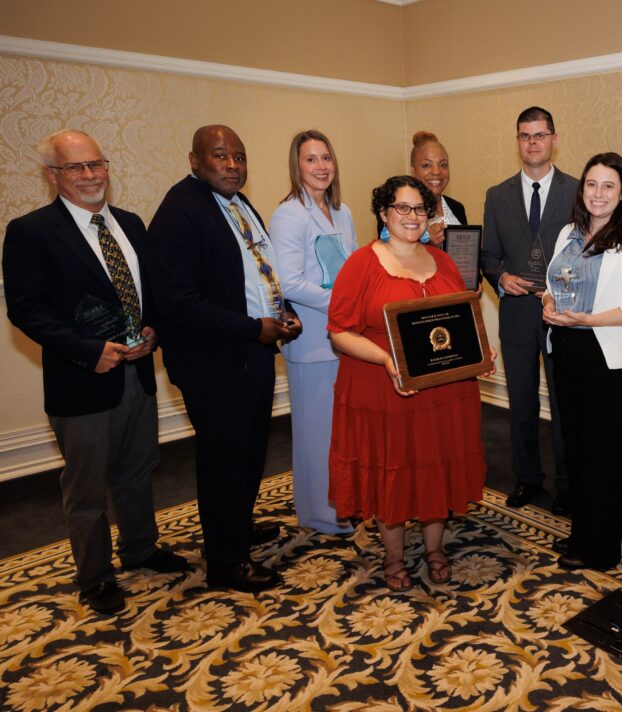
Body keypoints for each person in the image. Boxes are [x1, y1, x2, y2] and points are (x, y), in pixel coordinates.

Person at [3, 129, 189, 614]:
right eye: (76, 167)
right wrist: (89, 351)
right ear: (52, 175)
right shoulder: (32, 231)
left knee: (137, 469)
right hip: (81, 379)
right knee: (86, 487)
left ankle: (141, 549)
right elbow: (26, 310)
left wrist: (154, 329)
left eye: (97, 165)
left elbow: (152, 291)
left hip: (138, 372)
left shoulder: (130, 223)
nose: (90, 176)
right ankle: (96, 576)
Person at [147, 125, 302, 593]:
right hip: (212, 361)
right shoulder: (180, 211)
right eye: (220, 156)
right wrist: (253, 327)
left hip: (249, 352)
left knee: (250, 450)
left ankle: (237, 525)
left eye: (240, 156)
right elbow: (177, 300)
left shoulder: (237, 204)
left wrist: (282, 310)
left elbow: (259, 273)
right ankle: (226, 563)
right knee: (223, 459)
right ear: (194, 160)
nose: (233, 165)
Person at [327, 175, 491, 592]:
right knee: (393, 472)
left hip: (444, 394)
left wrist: (480, 354)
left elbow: (463, 319)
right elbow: (339, 331)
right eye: (402, 208)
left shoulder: (445, 261)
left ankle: (436, 549)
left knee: (437, 465)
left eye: (420, 209)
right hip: (385, 389)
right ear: (383, 213)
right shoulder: (361, 263)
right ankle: (394, 556)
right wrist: (386, 359)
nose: (412, 217)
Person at [543, 152, 622, 571]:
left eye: (609, 185)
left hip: (609, 359)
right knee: (576, 451)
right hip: (567, 352)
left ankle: (602, 549)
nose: (599, 193)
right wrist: (549, 304)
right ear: (582, 189)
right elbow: (551, 283)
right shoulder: (567, 233)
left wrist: (588, 319)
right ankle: (581, 536)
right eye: (592, 184)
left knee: (604, 458)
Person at [481, 106, 578, 515]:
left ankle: (568, 483)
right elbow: (488, 256)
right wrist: (501, 279)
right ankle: (526, 477)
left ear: (554, 138)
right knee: (521, 401)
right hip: (517, 313)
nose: (533, 143)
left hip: (564, 315)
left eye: (540, 135)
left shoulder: (578, 191)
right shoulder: (497, 195)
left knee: (565, 403)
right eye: (525, 136)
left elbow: (590, 252)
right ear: (517, 141)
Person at [269, 130, 357, 535]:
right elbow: (289, 282)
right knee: (315, 434)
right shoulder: (289, 214)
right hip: (310, 341)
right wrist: (343, 300)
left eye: (326, 158)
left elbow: (353, 271)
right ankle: (320, 514)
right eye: (311, 160)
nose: (321, 166)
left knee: (342, 432)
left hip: (344, 337)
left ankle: (344, 501)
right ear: (297, 166)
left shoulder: (344, 213)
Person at [410, 131, 468, 246]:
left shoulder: (457, 208)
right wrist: (425, 241)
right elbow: (391, 256)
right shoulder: (400, 211)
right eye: (427, 165)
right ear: (413, 171)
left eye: (443, 165)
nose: (437, 172)